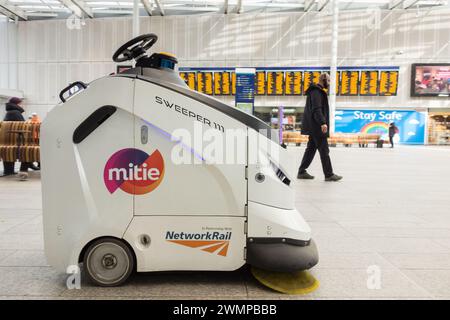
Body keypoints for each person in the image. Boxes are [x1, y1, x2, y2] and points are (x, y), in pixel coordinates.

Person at [297, 73, 342, 182]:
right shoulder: (317, 92)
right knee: (324, 150)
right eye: (329, 81)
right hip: (317, 126)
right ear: (324, 79)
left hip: (314, 126)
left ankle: (302, 171)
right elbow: (317, 109)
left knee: (311, 149)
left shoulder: (316, 91)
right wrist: (323, 123)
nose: (330, 83)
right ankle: (329, 174)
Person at [2, 97, 29, 180]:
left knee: (9, 149)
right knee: (27, 149)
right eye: (21, 103)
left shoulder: (10, 112)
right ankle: (23, 170)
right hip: (16, 139)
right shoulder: (16, 113)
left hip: (8, 139)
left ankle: (9, 170)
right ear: (17, 104)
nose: (22, 105)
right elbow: (23, 126)